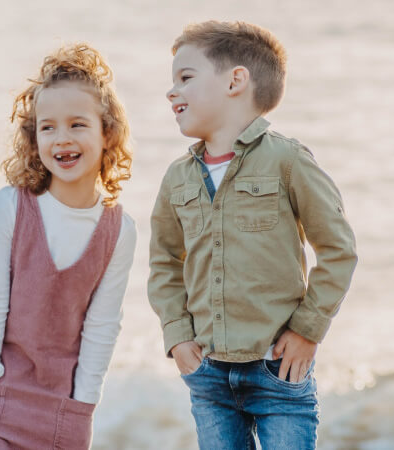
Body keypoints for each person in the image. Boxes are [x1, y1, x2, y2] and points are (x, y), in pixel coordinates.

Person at [148, 21, 357, 449]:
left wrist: (307, 330)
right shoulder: (177, 178)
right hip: (207, 372)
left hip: (277, 368)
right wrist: (177, 334)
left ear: (235, 81)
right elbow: (165, 262)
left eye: (185, 77)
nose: (172, 92)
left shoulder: (287, 160)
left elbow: (338, 250)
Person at [0, 43, 136, 449]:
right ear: (33, 140)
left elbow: (102, 327)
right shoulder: (9, 208)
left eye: (77, 124)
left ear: (108, 133)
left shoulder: (119, 231)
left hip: (61, 417)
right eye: (47, 127)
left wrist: (82, 406)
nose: (61, 138)